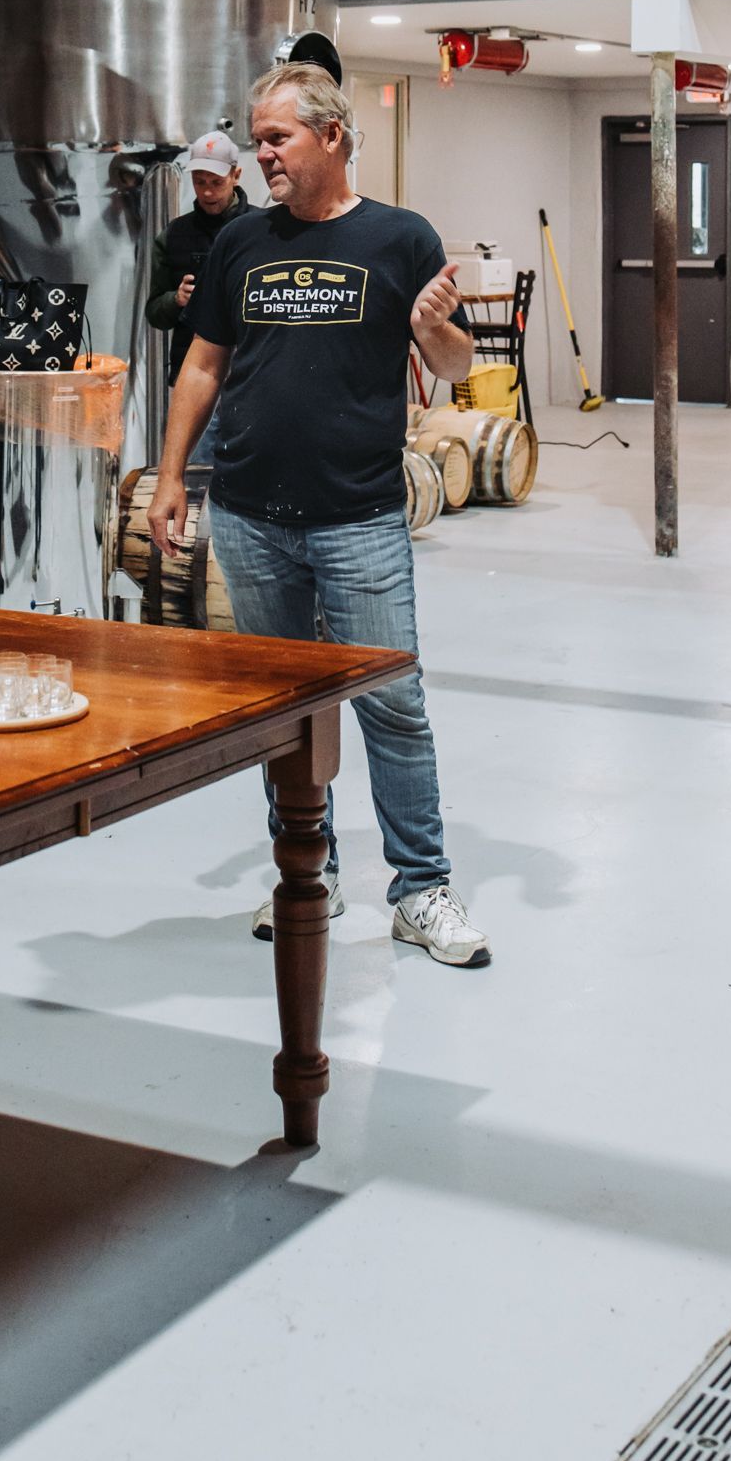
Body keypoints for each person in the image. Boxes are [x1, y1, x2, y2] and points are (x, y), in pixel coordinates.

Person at [149, 62, 491, 967]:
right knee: (283, 708)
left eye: (276, 139)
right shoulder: (241, 243)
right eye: (258, 139)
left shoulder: (399, 238)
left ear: (331, 136)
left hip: (358, 518)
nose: (261, 155)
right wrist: (171, 473)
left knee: (392, 703)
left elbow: (455, 368)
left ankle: (420, 889)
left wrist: (432, 325)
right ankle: (310, 870)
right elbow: (203, 366)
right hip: (250, 514)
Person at [144, 130, 250, 389]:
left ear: (235, 176)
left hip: (247, 378)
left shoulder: (260, 230)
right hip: (190, 377)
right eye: (199, 182)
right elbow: (155, 314)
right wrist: (176, 299)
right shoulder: (173, 235)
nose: (207, 192)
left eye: (216, 182)